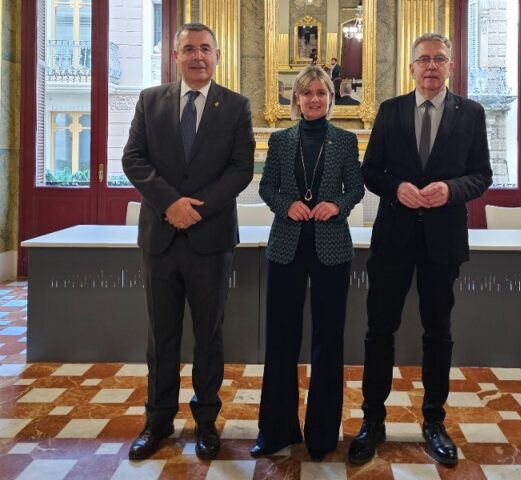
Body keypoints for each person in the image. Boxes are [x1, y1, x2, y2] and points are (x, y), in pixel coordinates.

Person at [348, 33, 492, 466]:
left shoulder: (472, 113)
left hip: (443, 241)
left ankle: (434, 421)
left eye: (439, 59)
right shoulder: (390, 111)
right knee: (379, 332)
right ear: (411, 67)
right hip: (393, 239)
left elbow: (481, 175)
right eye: (424, 59)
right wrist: (397, 188)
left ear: (451, 66)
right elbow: (371, 171)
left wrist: (450, 190)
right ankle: (372, 421)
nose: (431, 66)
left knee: (438, 333)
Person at [122, 22, 255, 461]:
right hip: (160, 239)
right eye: (189, 49)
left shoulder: (235, 106)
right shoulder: (150, 101)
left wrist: (195, 209)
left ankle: (206, 422)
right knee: (160, 337)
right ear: (175, 56)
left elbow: (241, 169)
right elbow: (133, 159)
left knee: (209, 337)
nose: (198, 56)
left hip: (210, 239)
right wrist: (170, 204)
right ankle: (158, 421)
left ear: (217, 56)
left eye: (205, 49)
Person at [252, 65, 364, 462]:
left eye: (321, 93)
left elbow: (356, 188)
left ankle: (322, 435)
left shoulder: (345, 141)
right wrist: (287, 205)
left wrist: (337, 205)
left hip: (332, 247)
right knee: (281, 339)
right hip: (287, 245)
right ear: (296, 99)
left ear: (331, 99)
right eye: (307, 93)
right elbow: (267, 187)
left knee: (328, 340)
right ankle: (276, 430)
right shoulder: (281, 141)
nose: (314, 99)